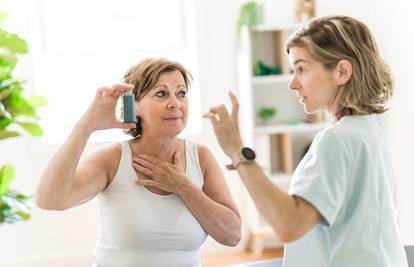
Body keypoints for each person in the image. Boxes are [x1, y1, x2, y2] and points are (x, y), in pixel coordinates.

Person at [204, 16, 408, 266]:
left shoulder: (337, 140)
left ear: (341, 72)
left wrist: (237, 152)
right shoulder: (371, 130)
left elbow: (289, 224)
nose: (292, 83)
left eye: (301, 68)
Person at [35, 58, 241, 267]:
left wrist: (182, 186)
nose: (175, 103)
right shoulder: (113, 159)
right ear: (134, 104)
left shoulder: (201, 157)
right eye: (161, 94)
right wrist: (85, 127)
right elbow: (50, 200)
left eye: (181, 93)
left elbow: (232, 235)